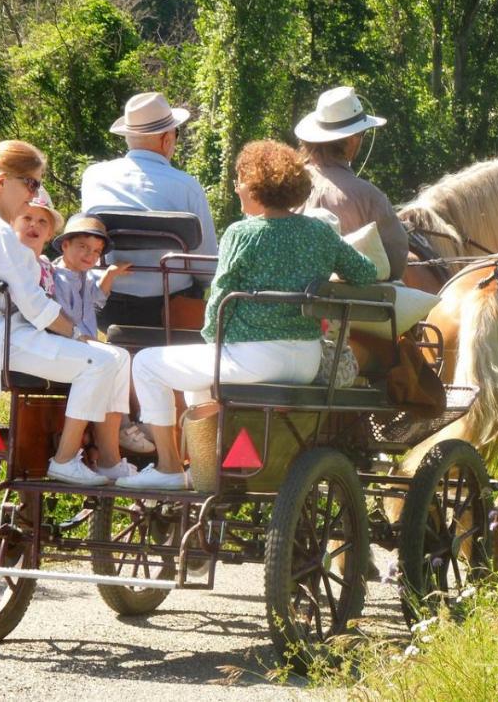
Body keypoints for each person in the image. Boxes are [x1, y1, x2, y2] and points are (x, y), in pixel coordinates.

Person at [121, 140, 378, 490]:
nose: (237, 187)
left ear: (256, 185)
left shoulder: (242, 233)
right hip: (306, 359)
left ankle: (168, 467)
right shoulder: (319, 232)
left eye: (239, 179)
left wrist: (213, 340)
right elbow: (364, 272)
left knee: (147, 363)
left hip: (253, 360)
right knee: (199, 382)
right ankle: (205, 472)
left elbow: (220, 297)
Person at [0, 140, 134, 486]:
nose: (35, 192)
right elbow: (34, 304)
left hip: (8, 334)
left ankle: (110, 459)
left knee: (118, 357)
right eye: (31, 183)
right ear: (3, 182)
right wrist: (78, 334)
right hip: (6, 340)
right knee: (103, 361)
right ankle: (65, 459)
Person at [80, 91, 219, 327]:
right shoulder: (188, 187)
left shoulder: (93, 177)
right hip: (169, 311)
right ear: (166, 139)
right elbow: (206, 269)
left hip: (106, 306)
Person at [50, 214, 155, 456]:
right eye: (83, 247)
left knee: (121, 356)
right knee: (120, 357)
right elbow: (59, 318)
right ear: (65, 245)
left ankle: (116, 428)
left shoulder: (83, 275)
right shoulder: (58, 278)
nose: (90, 255)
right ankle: (123, 427)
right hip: (68, 343)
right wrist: (80, 338)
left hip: (85, 344)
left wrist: (110, 276)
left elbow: (95, 300)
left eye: (96, 251)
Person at [294, 85, 408, 280]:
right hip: (348, 307)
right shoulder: (369, 196)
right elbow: (395, 264)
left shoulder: (284, 184)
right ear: (354, 139)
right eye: (362, 134)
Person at [10, 186, 64, 293]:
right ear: (12, 224)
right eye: (27, 218)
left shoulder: (48, 267)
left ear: (50, 233)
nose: (34, 224)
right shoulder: (8, 262)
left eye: (42, 221)